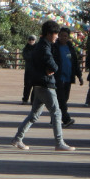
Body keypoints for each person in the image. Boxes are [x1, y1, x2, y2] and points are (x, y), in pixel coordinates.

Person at [11, 20, 76, 151]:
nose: (57, 36)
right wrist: (53, 68)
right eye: (56, 34)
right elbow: (53, 64)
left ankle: (18, 138)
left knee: (34, 115)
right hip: (46, 84)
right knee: (57, 113)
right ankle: (59, 142)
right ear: (48, 34)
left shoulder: (40, 46)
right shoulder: (44, 47)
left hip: (38, 83)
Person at [52, 27, 83, 127]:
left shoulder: (70, 47)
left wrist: (79, 76)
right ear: (58, 36)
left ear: (68, 37)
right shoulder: (54, 47)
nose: (63, 38)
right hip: (58, 77)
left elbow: (75, 63)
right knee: (61, 99)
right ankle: (66, 119)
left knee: (64, 99)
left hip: (68, 77)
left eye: (65, 36)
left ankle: (54, 118)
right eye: (61, 35)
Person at [21, 35, 36, 104]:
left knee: (35, 86)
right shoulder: (26, 48)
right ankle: (25, 99)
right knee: (27, 85)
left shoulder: (37, 48)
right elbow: (25, 56)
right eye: (30, 39)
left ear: (35, 40)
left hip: (36, 70)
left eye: (32, 39)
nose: (31, 41)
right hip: (28, 70)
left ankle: (33, 100)